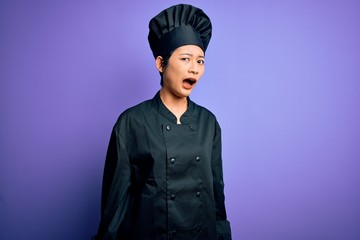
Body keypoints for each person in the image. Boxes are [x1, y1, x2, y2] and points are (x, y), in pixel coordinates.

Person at [93, 4, 232, 240]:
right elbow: (116, 203)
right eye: (186, 58)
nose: (194, 68)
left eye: (200, 61)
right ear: (160, 64)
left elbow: (217, 197)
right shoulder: (131, 122)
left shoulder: (209, 123)